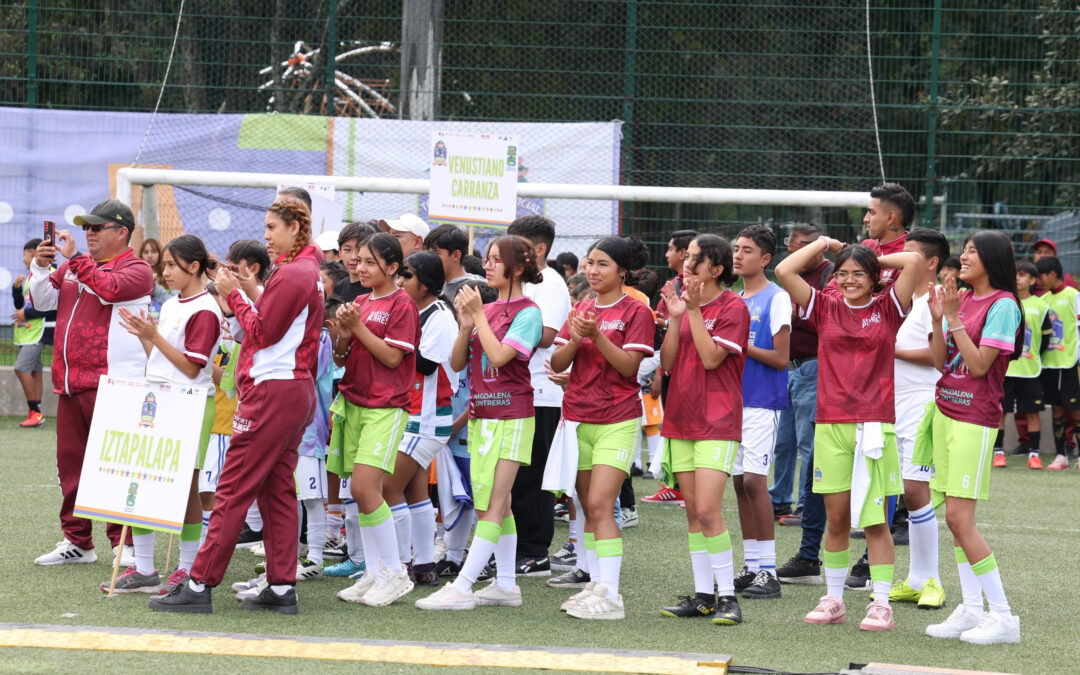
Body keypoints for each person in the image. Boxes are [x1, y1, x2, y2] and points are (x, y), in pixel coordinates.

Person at [149, 196, 323, 615]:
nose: (266, 235)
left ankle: (198, 582)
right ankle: (282, 586)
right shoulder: (305, 271)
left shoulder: (296, 272)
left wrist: (236, 295)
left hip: (272, 393)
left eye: (272, 227)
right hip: (293, 390)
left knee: (231, 491)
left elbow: (262, 331)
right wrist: (253, 290)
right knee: (278, 491)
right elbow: (281, 324)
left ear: (295, 229)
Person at [776, 235, 922, 632]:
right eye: (842, 273)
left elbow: (914, 260)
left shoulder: (889, 307)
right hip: (831, 425)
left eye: (859, 274)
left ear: (876, 278)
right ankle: (834, 598)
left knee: (875, 522)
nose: (849, 280)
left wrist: (871, 256)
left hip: (875, 426)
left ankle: (880, 603)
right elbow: (784, 270)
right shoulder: (823, 306)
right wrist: (823, 244)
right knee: (836, 519)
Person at [416, 235, 544, 611]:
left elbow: (502, 357)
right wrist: (466, 325)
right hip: (483, 417)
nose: (485, 265)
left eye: (494, 260)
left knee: (493, 505)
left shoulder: (528, 312)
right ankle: (506, 586)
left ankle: (463, 585)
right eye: (485, 259)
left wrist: (481, 317)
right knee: (497, 506)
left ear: (517, 268)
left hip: (513, 416)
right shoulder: (487, 309)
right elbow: (456, 364)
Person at [30, 199, 153, 567]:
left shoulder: (138, 268)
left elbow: (109, 290)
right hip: (70, 383)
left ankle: (124, 543)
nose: (89, 233)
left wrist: (75, 259)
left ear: (122, 232)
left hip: (115, 383)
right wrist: (41, 265)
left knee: (117, 466)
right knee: (71, 467)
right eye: (87, 227)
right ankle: (78, 541)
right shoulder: (73, 265)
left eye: (98, 227)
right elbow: (42, 300)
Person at [924, 231, 1023, 645]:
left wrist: (952, 319)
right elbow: (937, 361)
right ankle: (970, 607)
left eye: (972, 251)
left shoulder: (1003, 305)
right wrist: (936, 318)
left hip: (975, 418)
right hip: (945, 414)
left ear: (993, 259)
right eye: (963, 250)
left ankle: (1002, 616)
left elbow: (980, 366)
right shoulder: (960, 299)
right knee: (953, 518)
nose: (962, 257)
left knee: (959, 520)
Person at [549, 237, 655, 620]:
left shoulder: (636, 310)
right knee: (584, 508)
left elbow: (629, 368)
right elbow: (558, 361)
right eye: (589, 263)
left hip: (617, 419)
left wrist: (596, 336)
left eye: (603, 264)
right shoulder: (581, 307)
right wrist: (577, 339)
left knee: (599, 504)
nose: (592, 271)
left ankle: (611, 596)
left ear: (622, 271)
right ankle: (596, 584)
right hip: (578, 417)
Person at [112, 235, 222, 594]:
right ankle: (144, 569)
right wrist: (144, 334)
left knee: (187, 490)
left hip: (190, 403)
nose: (166, 271)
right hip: (157, 400)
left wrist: (153, 336)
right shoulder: (175, 304)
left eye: (173, 265)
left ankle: (187, 569)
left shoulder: (205, 309)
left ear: (194, 266)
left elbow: (192, 370)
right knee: (141, 481)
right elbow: (160, 359)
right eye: (165, 265)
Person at [657, 234, 749, 625]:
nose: (686, 264)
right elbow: (669, 364)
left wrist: (691, 311)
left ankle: (728, 598)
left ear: (716, 269)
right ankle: (702, 596)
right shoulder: (682, 305)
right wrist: (677, 316)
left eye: (695, 259)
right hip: (681, 417)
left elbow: (712, 359)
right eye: (686, 257)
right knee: (693, 512)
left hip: (717, 419)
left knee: (710, 511)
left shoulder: (734, 306)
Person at [330, 233, 420, 607]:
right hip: (353, 402)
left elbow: (393, 359)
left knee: (368, 487)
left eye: (369, 262)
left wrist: (359, 328)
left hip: (386, 405)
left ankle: (396, 572)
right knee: (358, 491)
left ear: (393, 267)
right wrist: (343, 333)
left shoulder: (402, 305)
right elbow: (339, 358)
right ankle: (374, 571)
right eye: (358, 260)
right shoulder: (360, 302)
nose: (360, 267)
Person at [382, 250, 458, 586]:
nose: (400, 281)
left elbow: (425, 364)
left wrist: (387, 348)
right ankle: (423, 565)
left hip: (426, 417)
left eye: (407, 275)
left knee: (385, 489)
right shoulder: (414, 309)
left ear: (426, 284)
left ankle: (397, 566)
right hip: (411, 414)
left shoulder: (439, 314)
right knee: (414, 494)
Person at [887, 228, 950, 610]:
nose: (899, 261)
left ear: (930, 263)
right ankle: (913, 579)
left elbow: (936, 357)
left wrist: (889, 350)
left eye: (908, 255)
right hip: (889, 405)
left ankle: (932, 581)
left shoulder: (935, 301)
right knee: (896, 494)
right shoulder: (899, 301)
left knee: (914, 491)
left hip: (921, 404)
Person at [505, 216, 570, 577]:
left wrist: (504, 332)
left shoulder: (551, 284)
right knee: (512, 475)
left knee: (533, 477)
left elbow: (545, 335)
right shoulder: (518, 282)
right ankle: (513, 546)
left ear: (539, 249)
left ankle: (536, 551)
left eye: (516, 245)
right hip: (513, 389)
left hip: (542, 391)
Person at [731, 225, 790, 600]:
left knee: (754, 481)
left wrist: (741, 346)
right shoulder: (735, 299)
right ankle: (751, 565)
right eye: (736, 249)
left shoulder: (777, 297)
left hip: (762, 402)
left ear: (766, 259)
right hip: (732, 402)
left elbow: (782, 359)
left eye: (747, 250)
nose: (738, 255)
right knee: (738, 483)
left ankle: (769, 571)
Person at [770, 224, 834, 523]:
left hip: (814, 365)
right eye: (795, 246)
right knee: (783, 442)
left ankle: (806, 507)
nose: (800, 252)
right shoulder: (789, 276)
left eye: (809, 245)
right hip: (787, 367)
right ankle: (779, 500)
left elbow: (830, 318)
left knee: (808, 442)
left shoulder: (830, 274)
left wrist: (798, 315)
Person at [995, 261, 1049, 470]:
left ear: (1034, 280)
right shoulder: (1005, 302)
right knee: (1001, 412)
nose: (1018, 278)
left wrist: (1032, 355)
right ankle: (998, 453)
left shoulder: (1042, 306)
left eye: (1024, 274)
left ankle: (1034, 455)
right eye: (1015, 273)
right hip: (1006, 369)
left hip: (1030, 370)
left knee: (1032, 412)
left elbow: (1045, 340)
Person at [1034, 255, 1080, 470]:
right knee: (1057, 410)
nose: (1038, 281)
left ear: (1052, 274)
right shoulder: (1043, 300)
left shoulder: (1073, 296)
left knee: (1076, 409)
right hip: (1049, 364)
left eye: (1040, 276)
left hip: (1069, 362)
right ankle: (1061, 456)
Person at [11, 238, 56, 428]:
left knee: (21, 368)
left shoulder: (51, 273)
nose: (23, 260)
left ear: (34, 253)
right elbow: (21, 305)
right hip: (28, 332)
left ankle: (35, 412)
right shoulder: (31, 276)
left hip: (40, 330)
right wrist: (16, 290)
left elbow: (52, 305)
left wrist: (26, 313)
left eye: (25, 254)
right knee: (36, 372)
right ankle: (37, 413)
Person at [862, 183, 913, 284]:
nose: (865, 219)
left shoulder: (910, 254)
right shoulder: (867, 246)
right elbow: (832, 288)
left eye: (872, 212)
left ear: (890, 218)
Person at [425, 224, 483, 303]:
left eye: (436, 253)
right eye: (428, 253)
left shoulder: (474, 289)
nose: (430, 258)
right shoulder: (436, 285)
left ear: (456, 255)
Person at [334, 221, 378, 303]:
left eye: (359, 250)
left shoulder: (377, 287)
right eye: (347, 250)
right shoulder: (339, 287)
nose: (353, 257)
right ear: (339, 253)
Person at [139, 237, 173, 318]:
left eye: (154, 251)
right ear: (141, 255)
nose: (150, 256)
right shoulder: (137, 276)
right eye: (146, 252)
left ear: (160, 253)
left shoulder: (169, 274)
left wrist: (154, 287)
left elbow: (174, 302)